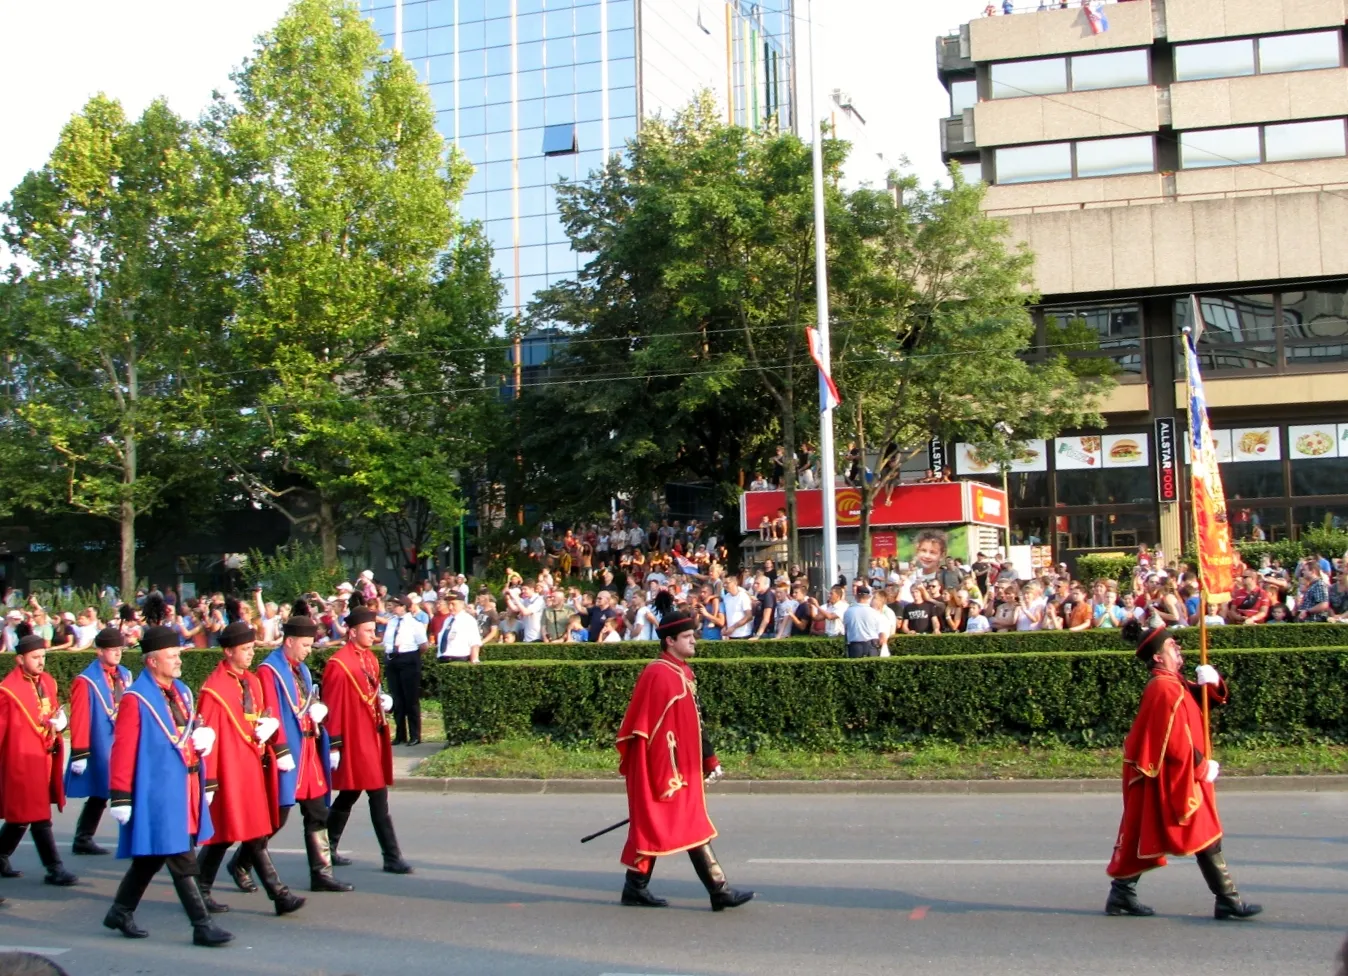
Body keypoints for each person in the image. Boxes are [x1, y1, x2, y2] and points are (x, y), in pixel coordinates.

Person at [1104, 620, 1261, 921]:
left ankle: (1122, 893)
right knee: (1204, 834)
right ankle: (1227, 900)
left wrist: (1211, 683)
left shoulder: (1173, 682)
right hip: (1173, 775)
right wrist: (1202, 767)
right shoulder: (1163, 688)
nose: (1178, 649)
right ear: (1158, 658)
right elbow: (1175, 741)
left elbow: (1204, 705)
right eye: (1171, 646)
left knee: (1148, 833)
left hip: (1171, 772)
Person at [615, 609, 753, 911]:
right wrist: (666, 774)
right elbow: (646, 733)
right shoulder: (658, 674)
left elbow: (694, 724)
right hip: (667, 769)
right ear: (669, 640)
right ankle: (719, 890)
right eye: (688, 637)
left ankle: (635, 888)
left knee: (662, 825)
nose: (694, 641)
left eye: (693, 636)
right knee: (680, 824)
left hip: (682, 766)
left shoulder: (682, 672)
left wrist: (709, 759)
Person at [103, 625, 231, 946]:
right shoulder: (136, 699)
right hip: (158, 792)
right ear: (151, 661)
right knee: (180, 855)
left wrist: (203, 742)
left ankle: (120, 910)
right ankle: (201, 925)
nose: (178, 660)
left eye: (178, 654)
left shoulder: (182, 691)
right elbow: (123, 749)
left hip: (185, 786)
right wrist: (120, 795)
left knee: (152, 856)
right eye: (171, 655)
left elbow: (186, 732)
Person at [193, 617, 304, 917]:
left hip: (251, 767)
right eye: (244, 648)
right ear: (228, 652)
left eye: (252, 647)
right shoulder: (213, 690)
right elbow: (209, 741)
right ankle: (279, 894)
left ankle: (201, 890)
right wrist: (210, 783)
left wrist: (273, 736)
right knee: (235, 833)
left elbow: (265, 716)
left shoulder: (252, 682)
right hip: (229, 771)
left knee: (233, 833)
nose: (250, 653)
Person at [253, 600, 350, 893]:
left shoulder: (302, 670)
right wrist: (281, 751)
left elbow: (307, 702)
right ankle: (243, 863)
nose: (309, 649)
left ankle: (321, 874)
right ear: (290, 641)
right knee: (276, 817)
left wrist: (319, 712)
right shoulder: (270, 671)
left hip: (309, 750)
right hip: (289, 753)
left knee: (317, 811)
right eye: (306, 644)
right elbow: (271, 714)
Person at [321, 596, 412, 874]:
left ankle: (328, 847)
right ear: (352, 632)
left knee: (349, 794)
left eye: (374, 630)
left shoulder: (370, 658)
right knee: (376, 795)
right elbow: (332, 707)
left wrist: (382, 700)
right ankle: (391, 856)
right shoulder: (338, 664)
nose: (374, 634)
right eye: (369, 630)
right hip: (353, 740)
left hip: (370, 736)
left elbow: (371, 690)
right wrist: (334, 745)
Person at [0, 626, 77, 893]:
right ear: (20, 659)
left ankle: (0, 856)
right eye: (35, 657)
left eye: (43, 656)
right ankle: (54, 868)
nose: (41, 662)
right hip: (20, 761)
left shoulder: (47, 682)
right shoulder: (8, 691)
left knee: (23, 815)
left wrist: (61, 723)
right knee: (37, 814)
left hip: (44, 756)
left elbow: (51, 713)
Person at [65, 626, 133, 856]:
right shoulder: (86, 680)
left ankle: (86, 838)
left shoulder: (124, 674)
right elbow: (80, 718)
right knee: (102, 791)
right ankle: (83, 838)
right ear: (100, 651)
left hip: (122, 741)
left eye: (120, 649)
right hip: (100, 741)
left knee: (123, 789)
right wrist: (80, 752)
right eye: (112, 649)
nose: (117, 653)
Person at [381, 596, 429, 745]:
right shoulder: (392, 622)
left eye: (397, 605)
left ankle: (415, 735)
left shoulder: (414, 623)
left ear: (405, 607)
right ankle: (400, 734)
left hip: (408, 658)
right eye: (393, 605)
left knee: (411, 699)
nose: (393, 608)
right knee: (397, 698)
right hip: (392, 660)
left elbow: (423, 645)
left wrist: (411, 657)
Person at [843, 587, 886, 658]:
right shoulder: (874, 613)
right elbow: (881, 632)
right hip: (872, 646)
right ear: (869, 597)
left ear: (856, 596)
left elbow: (846, 629)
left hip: (855, 646)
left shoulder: (848, 612)